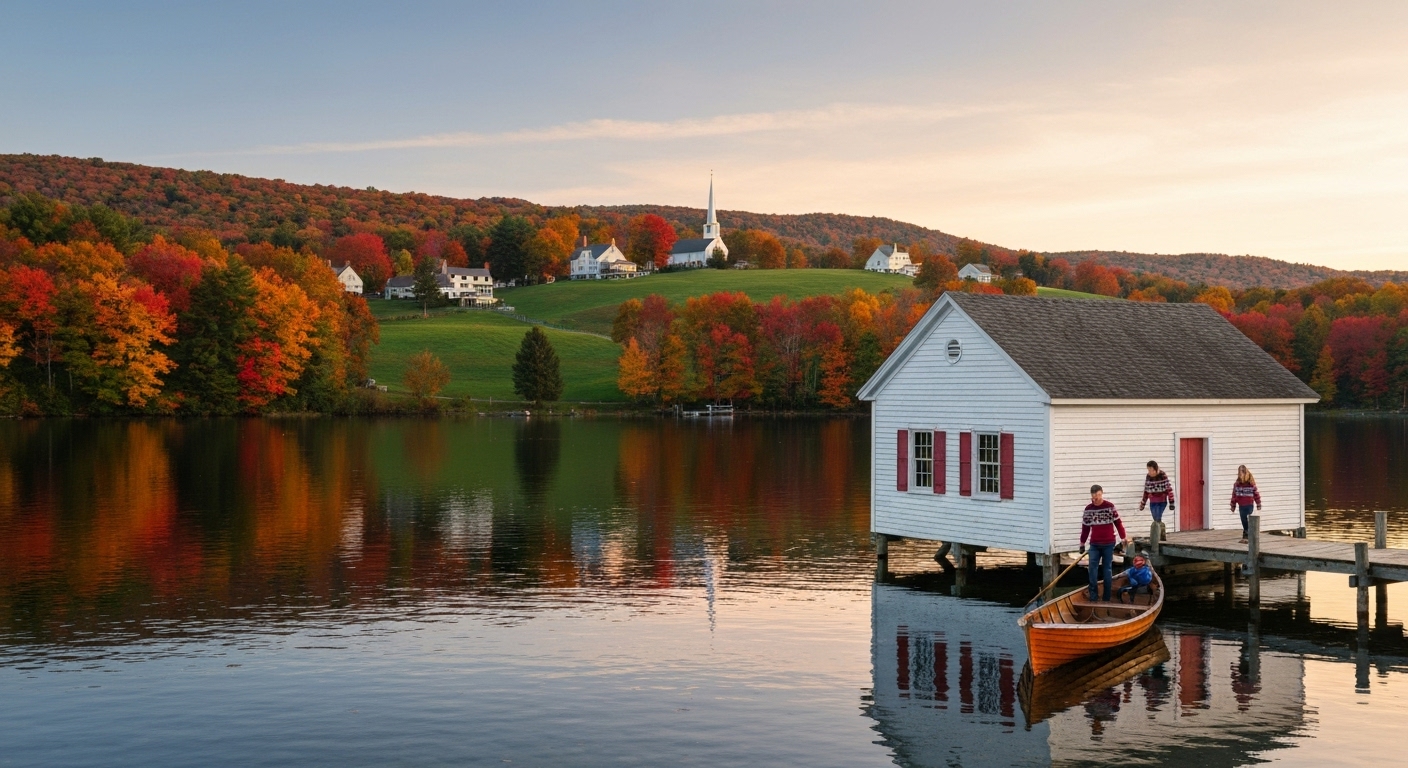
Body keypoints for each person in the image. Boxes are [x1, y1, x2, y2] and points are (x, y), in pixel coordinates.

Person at [1080, 484, 1131, 602]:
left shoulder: (1109, 507)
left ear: (1102, 493)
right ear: (1091, 496)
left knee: (1107, 569)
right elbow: (1085, 528)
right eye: (1094, 496)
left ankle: (1106, 598)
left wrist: (1123, 537)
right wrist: (1082, 543)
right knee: (1092, 569)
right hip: (1094, 544)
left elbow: (1118, 523)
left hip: (1108, 543)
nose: (1096, 498)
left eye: (1098, 495)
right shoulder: (1088, 509)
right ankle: (1093, 597)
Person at [1138, 460, 1175, 538]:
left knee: (1158, 516)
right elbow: (1146, 491)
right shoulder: (1148, 477)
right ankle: (1161, 532)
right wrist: (1143, 503)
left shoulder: (1162, 475)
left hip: (1162, 500)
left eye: (1151, 470)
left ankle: (1158, 536)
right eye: (1148, 470)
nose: (1150, 472)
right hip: (1153, 501)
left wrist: (1171, 502)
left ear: (1156, 469)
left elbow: (1169, 489)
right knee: (1155, 518)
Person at [1231, 465, 1262, 543]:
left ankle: (1247, 534)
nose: (1239, 475)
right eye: (1238, 473)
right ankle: (1246, 533)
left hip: (1249, 504)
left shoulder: (1250, 484)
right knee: (1243, 519)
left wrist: (1258, 504)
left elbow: (1256, 494)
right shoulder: (1236, 484)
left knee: (1248, 519)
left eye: (1241, 473)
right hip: (1241, 505)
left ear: (1245, 473)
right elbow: (1234, 495)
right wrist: (1233, 505)